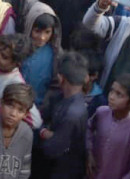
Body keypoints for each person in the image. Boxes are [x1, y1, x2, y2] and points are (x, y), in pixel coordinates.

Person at [37, 51, 89, 179]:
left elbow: (52, 148)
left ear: (61, 78)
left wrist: (42, 131)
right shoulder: (62, 98)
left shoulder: (72, 113)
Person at [85, 73, 130, 179]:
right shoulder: (101, 112)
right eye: (112, 91)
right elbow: (88, 128)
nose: (111, 97)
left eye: (119, 95)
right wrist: (89, 153)